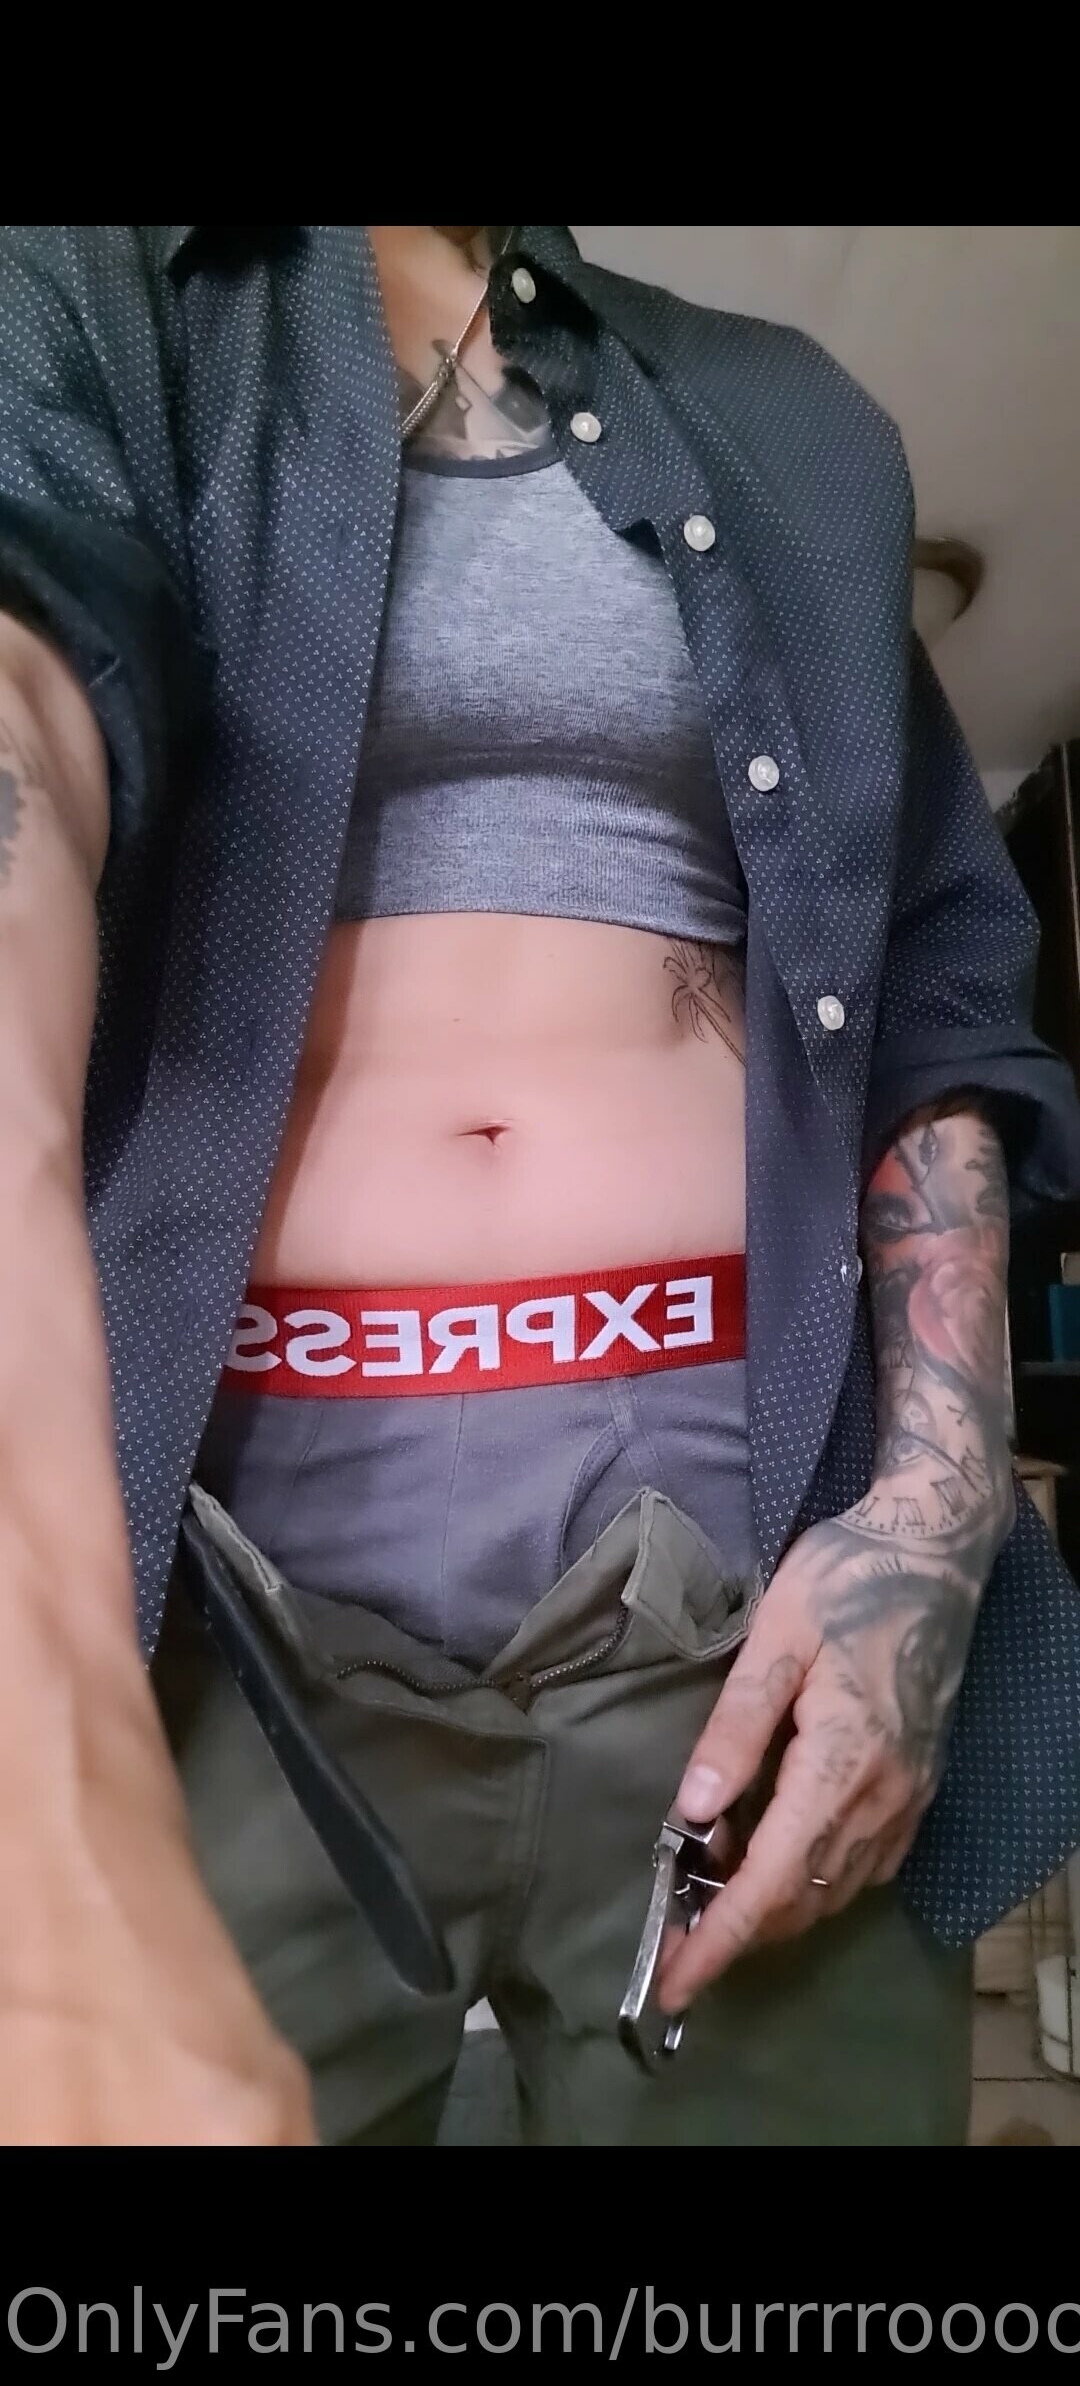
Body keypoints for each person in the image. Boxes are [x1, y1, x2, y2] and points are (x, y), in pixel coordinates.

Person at [1, 222, 1079, 2148]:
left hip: (741, 1571)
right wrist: (36, 1720)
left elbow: (938, 981)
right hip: (215, 1600)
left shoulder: (794, 423)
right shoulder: (77, 296)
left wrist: (931, 1520)